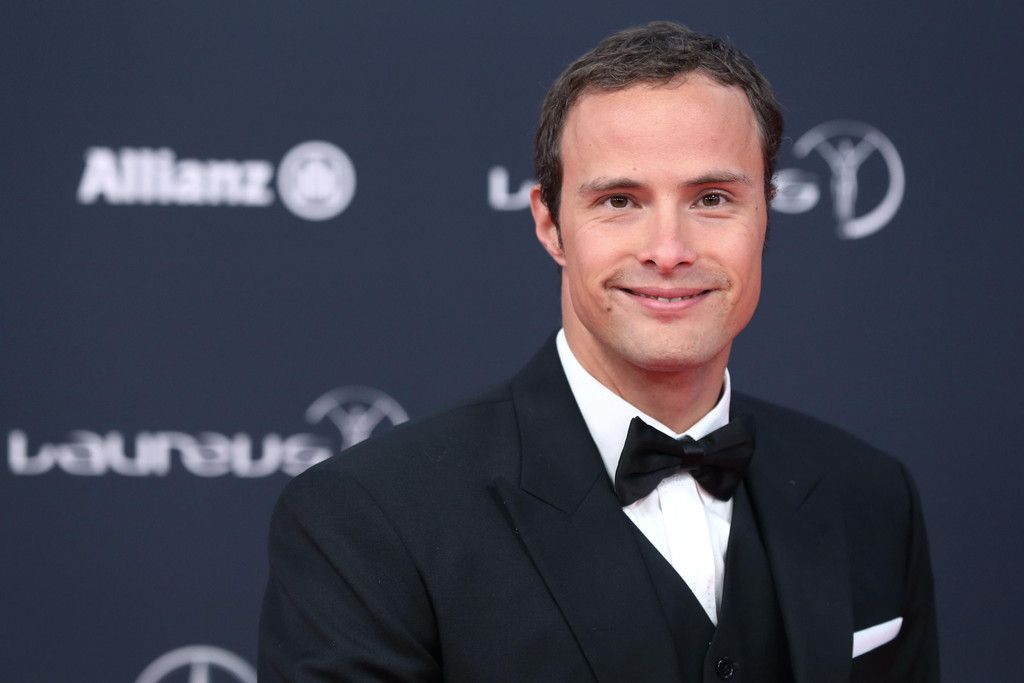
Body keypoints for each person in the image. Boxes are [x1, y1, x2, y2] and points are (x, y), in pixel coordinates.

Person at [259, 21, 938, 682]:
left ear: (766, 213)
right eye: (619, 201)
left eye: (711, 198)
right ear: (550, 224)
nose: (668, 250)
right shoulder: (369, 519)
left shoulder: (870, 497)